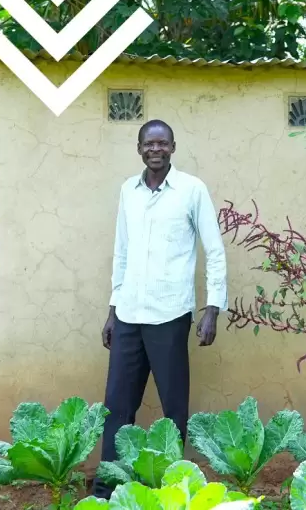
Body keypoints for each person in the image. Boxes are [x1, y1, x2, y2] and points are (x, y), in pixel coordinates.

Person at [93, 119, 227, 499]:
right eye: (148, 144)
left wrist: (212, 307)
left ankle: (173, 487)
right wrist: (113, 309)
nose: (156, 149)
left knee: (173, 408)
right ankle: (107, 487)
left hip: (170, 315)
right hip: (129, 314)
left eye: (162, 143)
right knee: (117, 405)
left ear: (172, 147)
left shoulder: (192, 190)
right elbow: (122, 253)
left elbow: (214, 250)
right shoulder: (128, 192)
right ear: (139, 149)